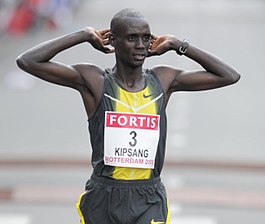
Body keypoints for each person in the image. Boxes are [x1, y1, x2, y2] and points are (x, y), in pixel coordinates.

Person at [16, 8, 240, 224]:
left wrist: (177, 44)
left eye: (146, 38)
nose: (141, 45)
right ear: (113, 40)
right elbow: (28, 61)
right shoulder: (95, 81)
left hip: (148, 198)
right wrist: (84, 35)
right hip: (104, 196)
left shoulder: (163, 80)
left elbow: (228, 75)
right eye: (132, 38)